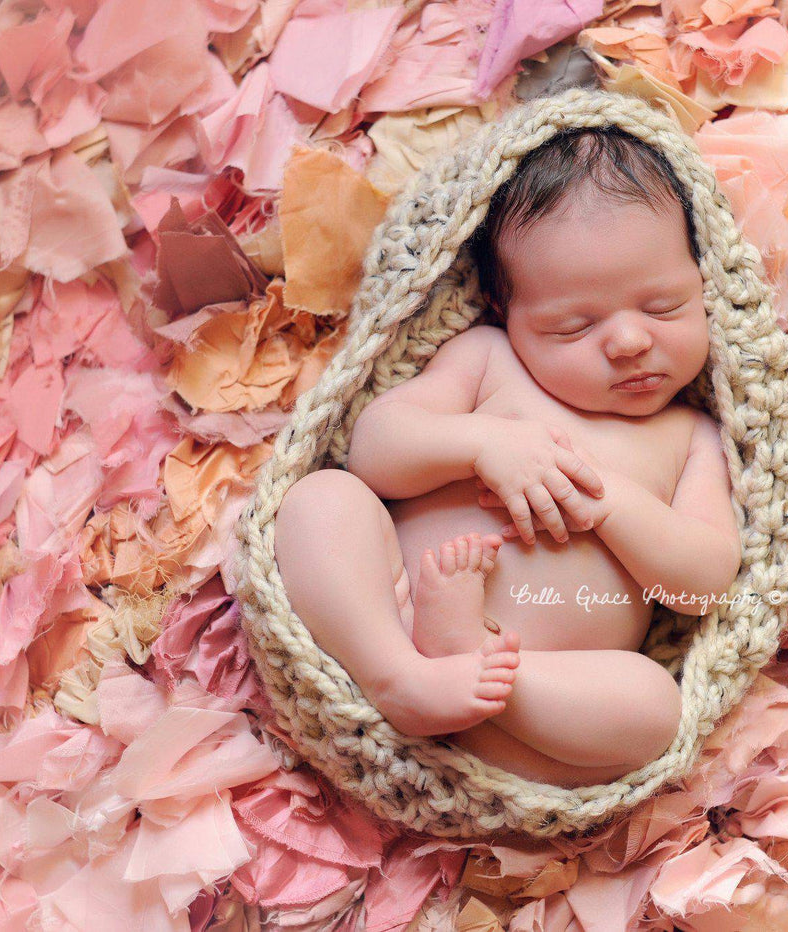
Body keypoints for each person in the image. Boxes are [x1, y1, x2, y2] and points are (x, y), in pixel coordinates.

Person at [273, 127, 743, 787]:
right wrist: (482, 442)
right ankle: (397, 674)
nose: (631, 340)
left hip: (539, 696)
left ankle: (474, 668)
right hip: (398, 612)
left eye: (665, 307)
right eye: (573, 326)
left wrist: (605, 500)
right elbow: (373, 451)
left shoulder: (690, 435)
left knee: (656, 707)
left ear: (706, 282)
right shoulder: (488, 362)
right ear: (506, 312)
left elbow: (700, 584)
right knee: (320, 501)